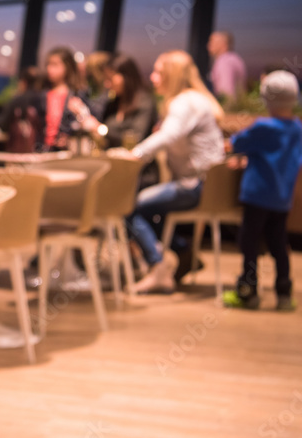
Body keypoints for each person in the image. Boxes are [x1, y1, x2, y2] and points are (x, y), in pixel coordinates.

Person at [123, 50, 226, 294]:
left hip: (195, 186)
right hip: (207, 185)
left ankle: (158, 269)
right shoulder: (197, 99)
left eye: (158, 72)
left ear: (173, 75)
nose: (152, 77)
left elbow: (169, 135)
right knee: (151, 211)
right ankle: (184, 252)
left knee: (128, 207)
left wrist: (134, 155)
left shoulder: (184, 102)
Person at [223, 70, 302, 311]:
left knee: (249, 243)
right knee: (279, 244)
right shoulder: (297, 128)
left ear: (266, 99)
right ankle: (284, 292)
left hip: (256, 195)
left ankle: (248, 291)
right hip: (281, 198)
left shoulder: (263, 127)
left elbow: (234, 144)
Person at [70, 54, 157, 150]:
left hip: (137, 163)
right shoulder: (113, 103)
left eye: (110, 79)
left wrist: (100, 129)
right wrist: (82, 113)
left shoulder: (144, 102)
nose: (107, 84)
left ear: (126, 76)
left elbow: (136, 138)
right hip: (113, 161)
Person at [41, 46, 87, 151]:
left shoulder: (77, 95)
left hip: (63, 152)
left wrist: (69, 138)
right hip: (41, 149)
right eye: (48, 64)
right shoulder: (42, 94)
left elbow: (84, 124)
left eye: (55, 65)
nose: (50, 69)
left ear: (68, 66)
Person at [0, 66, 45, 153]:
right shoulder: (44, 99)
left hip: (17, 149)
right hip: (40, 150)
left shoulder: (16, 100)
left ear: (23, 82)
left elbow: (3, 124)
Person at [207, 30, 246, 103]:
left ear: (223, 44)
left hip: (228, 109)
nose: (208, 45)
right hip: (237, 106)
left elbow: (226, 92)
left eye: (212, 42)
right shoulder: (235, 58)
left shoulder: (224, 62)